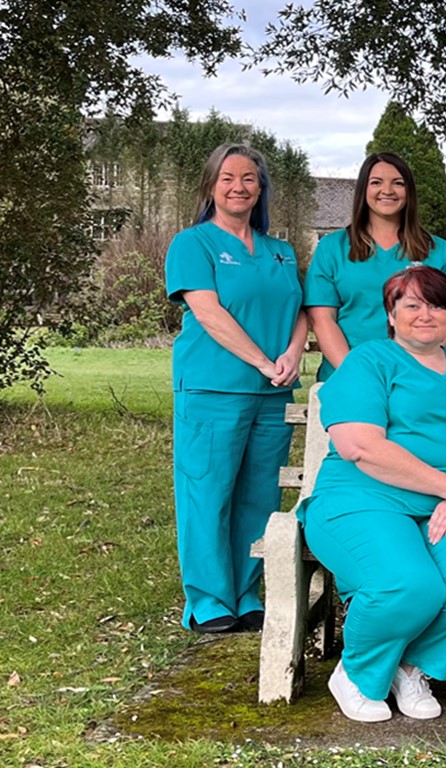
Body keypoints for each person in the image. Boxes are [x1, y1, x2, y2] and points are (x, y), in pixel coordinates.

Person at [298, 266, 446, 723]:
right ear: (391, 316)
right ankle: (358, 673)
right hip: (365, 497)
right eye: (411, 305)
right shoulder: (369, 361)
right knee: (407, 584)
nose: (425, 314)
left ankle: (410, 666)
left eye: (437, 305)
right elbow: (361, 446)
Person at [165, 143, 307, 634]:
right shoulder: (193, 243)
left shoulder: (281, 251)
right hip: (213, 390)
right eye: (228, 178)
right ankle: (207, 599)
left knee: (258, 496)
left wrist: (292, 353)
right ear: (210, 186)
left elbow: (301, 311)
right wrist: (264, 361)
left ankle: (246, 593)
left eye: (249, 178)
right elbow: (208, 313)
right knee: (208, 493)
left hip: (273, 393)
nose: (239, 187)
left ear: (261, 189)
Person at [304, 152, 446, 382]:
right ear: (363, 190)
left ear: (409, 191)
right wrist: (358, 375)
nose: (387, 191)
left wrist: (415, 371)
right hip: (347, 376)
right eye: (376, 182)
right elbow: (323, 320)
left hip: (415, 379)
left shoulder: (437, 250)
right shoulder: (332, 247)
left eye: (398, 183)